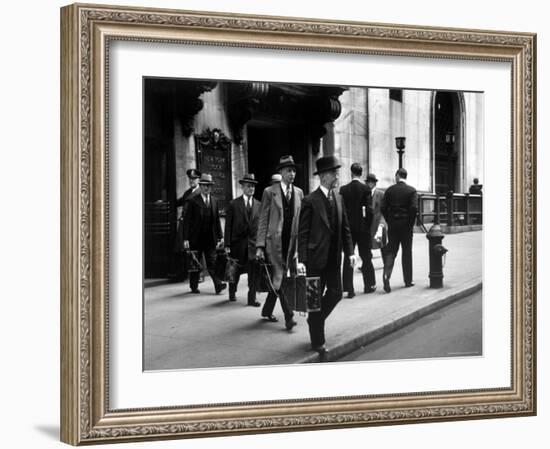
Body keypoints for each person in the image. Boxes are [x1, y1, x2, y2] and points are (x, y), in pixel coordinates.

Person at [297, 156, 355, 361]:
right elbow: (302, 233)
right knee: (314, 300)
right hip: (314, 259)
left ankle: (315, 321)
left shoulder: (338, 198)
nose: (337, 176)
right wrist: (301, 260)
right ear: (322, 176)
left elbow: (346, 228)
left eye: (337, 172)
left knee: (337, 293)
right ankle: (318, 341)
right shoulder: (310, 201)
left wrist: (350, 252)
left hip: (333, 258)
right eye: (333, 173)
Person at [256, 155, 303, 328]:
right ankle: (288, 316)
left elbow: (300, 219)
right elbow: (263, 220)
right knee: (281, 277)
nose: (292, 174)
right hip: (273, 244)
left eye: (294, 171)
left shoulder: (299, 192)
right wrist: (260, 246)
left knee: (280, 277)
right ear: (281, 172)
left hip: (291, 244)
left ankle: (267, 310)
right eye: (289, 170)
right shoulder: (270, 192)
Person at [182, 173, 227, 295]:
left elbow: (216, 220)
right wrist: (186, 239)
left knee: (212, 262)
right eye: (205, 186)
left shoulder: (214, 201)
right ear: (201, 186)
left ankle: (218, 285)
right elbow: (187, 221)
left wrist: (220, 236)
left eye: (209, 186)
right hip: (195, 237)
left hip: (209, 238)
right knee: (196, 263)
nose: (207, 188)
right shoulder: (192, 201)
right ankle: (193, 286)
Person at [224, 174, 261, 306]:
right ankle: (232, 292)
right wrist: (227, 244)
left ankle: (252, 298)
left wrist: (261, 245)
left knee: (253, 273)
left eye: (253, 186)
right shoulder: (234, 204)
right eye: (248, 186)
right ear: (242, 187)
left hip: (252, 244)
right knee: (236, 270)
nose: (251, 188)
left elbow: (261, 227)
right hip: (237, 244)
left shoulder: (259, 205)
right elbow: (228, 225)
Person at [339, 163, 374, 297]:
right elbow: (370, 211)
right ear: (361, 173)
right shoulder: (366, 189)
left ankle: (349, 288)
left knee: (349, 257)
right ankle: (368, 285)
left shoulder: (344, 189)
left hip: (348, 229)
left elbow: (341, 210)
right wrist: (367, 225)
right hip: (363, 228)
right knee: (366, 256)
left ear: (351, 173)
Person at [381, 168, 418, 293]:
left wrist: (389, 219)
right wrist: (410, 223)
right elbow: (413, 208)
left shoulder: (390, 190)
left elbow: (383, 207)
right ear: (405, 177)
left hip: (393, 225)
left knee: (391, 250)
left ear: (397, 176)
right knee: (407, 252)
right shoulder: (412, 191)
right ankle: (408, 280)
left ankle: (386, 275)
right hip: (406, 225)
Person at [174, 169, 201, 280]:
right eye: (190, 179)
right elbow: (179, 202)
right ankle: (183, 274)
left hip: (193, 226)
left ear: (198, 180)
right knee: (183, 249)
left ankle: (197, 275)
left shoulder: (200, 192)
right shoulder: (187, 193)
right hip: (185, 224)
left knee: (195, 250)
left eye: (194, 179)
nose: (192, 181)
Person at [365, 172, 388, 289]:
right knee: (367, 253)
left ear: (374, 183)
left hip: (379, 226)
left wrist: (382, 226)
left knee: (384, 251)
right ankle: (370, 279)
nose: (369, 184)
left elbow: (384, 212)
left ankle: (386, 277)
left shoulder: (381, 194)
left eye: (371, 182)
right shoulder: (365, 194)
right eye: (367, 182)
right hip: (368, 227)